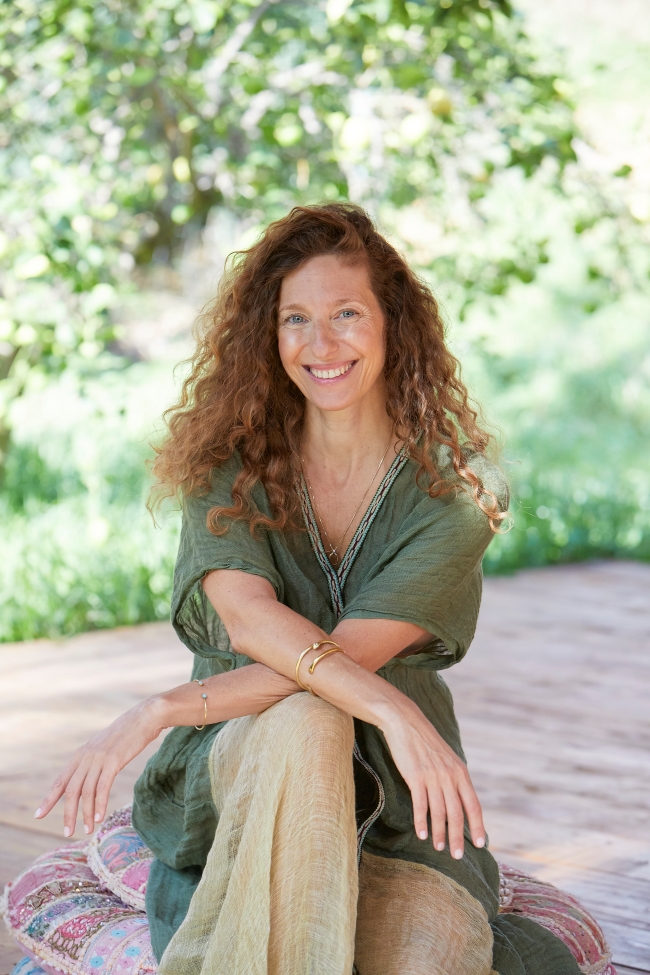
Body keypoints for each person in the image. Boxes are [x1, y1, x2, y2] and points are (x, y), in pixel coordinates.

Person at [35, 203, 581, 975]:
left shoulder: (459, 493)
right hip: (240, 779)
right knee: (307, 721)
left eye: (346, 314)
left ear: (394, 324)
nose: (321, 344)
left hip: (398, 809)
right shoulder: (226, 465)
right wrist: (390, 706)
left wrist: (160, 706)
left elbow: (340, 657)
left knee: (421, 960)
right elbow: (252, 622)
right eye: (296, 319)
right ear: (269, 333)